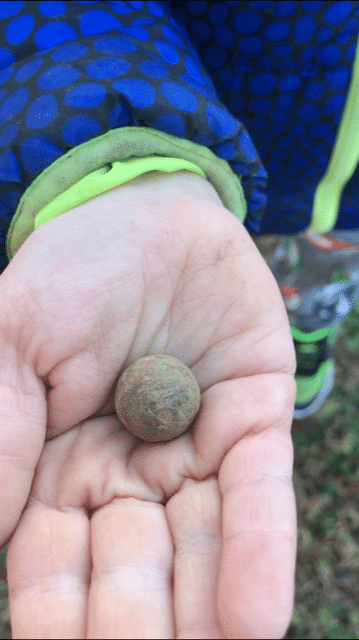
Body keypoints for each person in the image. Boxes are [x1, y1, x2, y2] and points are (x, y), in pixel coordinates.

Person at [0, 1, 356, 637]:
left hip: (342, 195)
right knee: (257, 261)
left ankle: (305, 329)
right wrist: (116, 172)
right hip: (207, 106)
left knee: (324, 262)